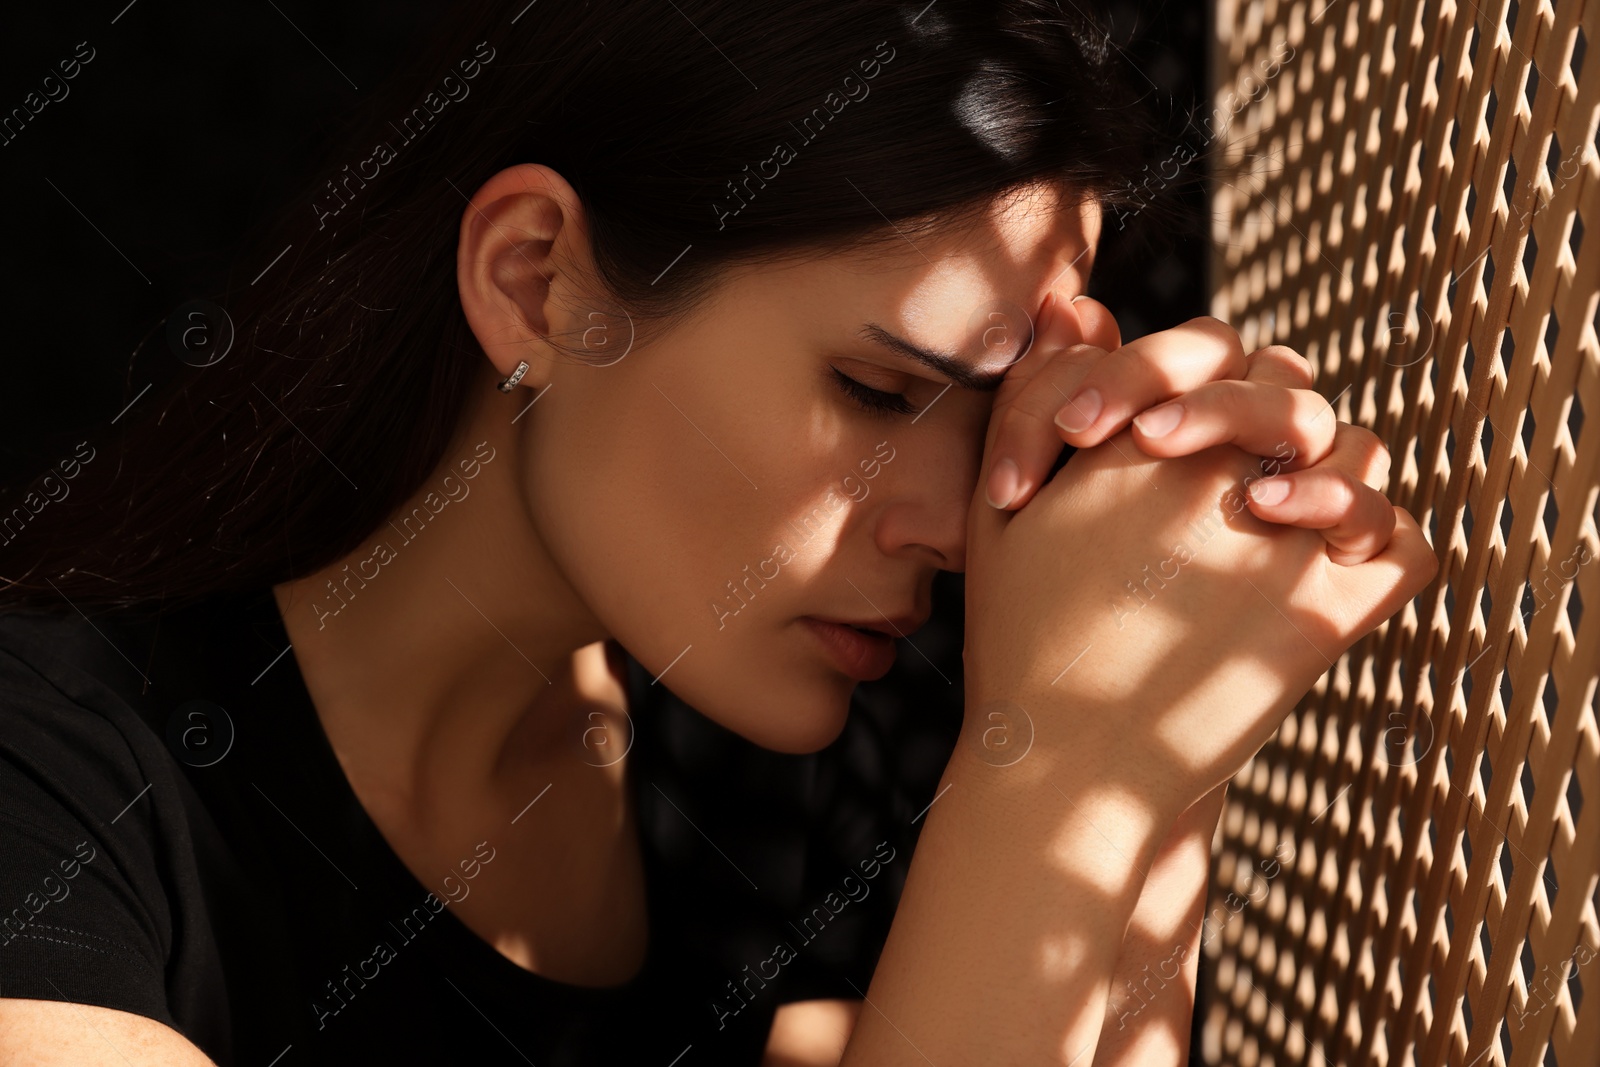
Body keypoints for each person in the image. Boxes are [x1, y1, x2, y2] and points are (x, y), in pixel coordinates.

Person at [0, 1, 1438, 1064]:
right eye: (878, 388)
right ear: (540, 282)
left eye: (996, 416)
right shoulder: (49, 798)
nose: (954, 525)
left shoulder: (743, 772)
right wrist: (1071, 756)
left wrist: (1169, 690)